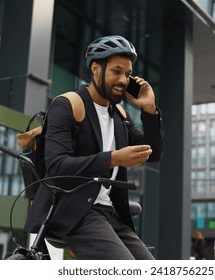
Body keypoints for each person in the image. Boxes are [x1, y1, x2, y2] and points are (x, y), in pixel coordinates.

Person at [24, 35, 164, 260]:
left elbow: (153, 153)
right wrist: (113, 158)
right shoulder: (66, 105)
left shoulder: (120, 115)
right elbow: (57, 167)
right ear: (96, 69)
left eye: (127, 74)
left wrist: (149, 110)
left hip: (110, 214)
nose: (123, 80)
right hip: (76, 211)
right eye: (116, 71)